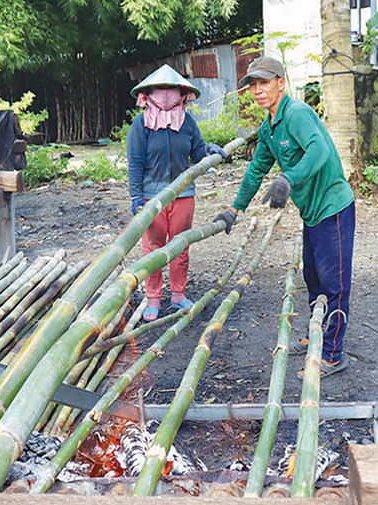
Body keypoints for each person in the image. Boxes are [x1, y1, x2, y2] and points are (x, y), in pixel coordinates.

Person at [215, 56, 355, 376]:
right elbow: (255, 170)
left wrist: (288, 178)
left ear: (281, 83)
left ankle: (332, 354)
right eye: (253, 85)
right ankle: (316, 335)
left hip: (332, 207)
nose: (258, 90)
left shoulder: (297, 114)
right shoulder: (269, 127)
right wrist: (235, 210)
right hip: (312, 213)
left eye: (264, 83)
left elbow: (319, 149)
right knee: (314, 278)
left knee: (335, 283)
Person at [127, 65, 226, 321]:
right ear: (148, 95)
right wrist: (136, 196)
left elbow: (198, 153)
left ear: (183, 94)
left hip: (183, 194)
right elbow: (135, 162)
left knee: (180, 246)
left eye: (172, 90)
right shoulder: (142, 125)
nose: (167, 96)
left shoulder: (187, 122)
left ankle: (178, 294)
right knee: (153, 247)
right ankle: (153, 298)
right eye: (161, 90)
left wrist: (210, 151)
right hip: (152, 197)